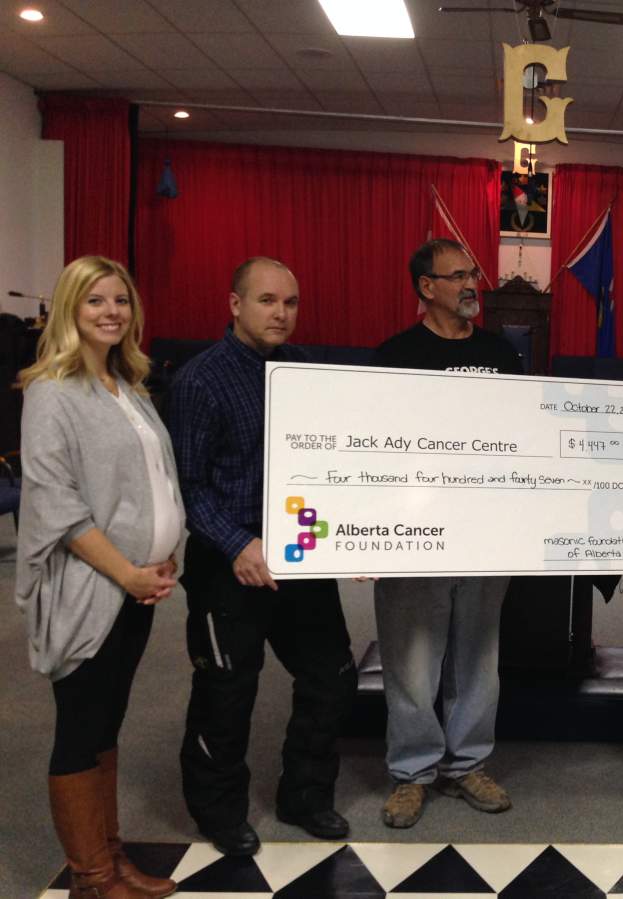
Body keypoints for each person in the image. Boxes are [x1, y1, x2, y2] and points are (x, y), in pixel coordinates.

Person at [169, 257, 357, 857]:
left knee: (331, 676)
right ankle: (218, 811)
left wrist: (359, 535)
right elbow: (189, 488)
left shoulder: (307, 372)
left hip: (301, 555)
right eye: (267, 301)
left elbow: (332, 466)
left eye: (291, 303)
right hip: (231, 563)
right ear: (234, 304)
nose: (281, 313)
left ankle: (305, 795)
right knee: (227, 690)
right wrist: (237, 545)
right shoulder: (200, 381)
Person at [16, 256, 183, 899]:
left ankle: (112, 861)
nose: (111, 312)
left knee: (108, 721)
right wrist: (129, 573)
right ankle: (91, 876)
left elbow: (153, 486)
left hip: (137, 586)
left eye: (121, 301)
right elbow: (57, 504)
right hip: (92, 588)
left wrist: (162, 557)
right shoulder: (52, 392)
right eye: (95, 302)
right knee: (81, 726)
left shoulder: (129, 386)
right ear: (69, 310)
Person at [372, 239, 522, 829]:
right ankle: (412, 772)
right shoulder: (393, 356)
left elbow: (523, 440)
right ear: (425, 288)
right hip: (414, 535)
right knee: (412, 656)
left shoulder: (503, 356)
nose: (470, 286)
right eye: (456, 276)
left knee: (479, 656)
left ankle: (467, 765)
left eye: (473, 275)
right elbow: (371, 450)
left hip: (487, 534)